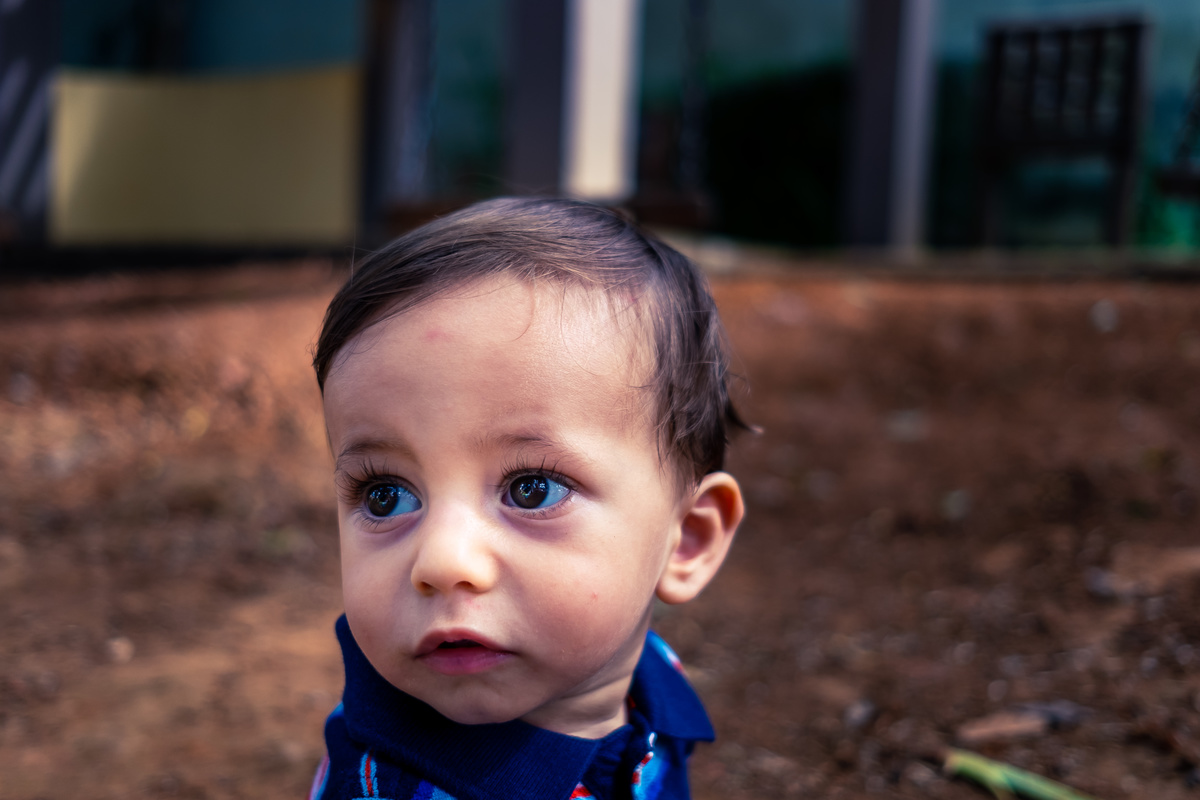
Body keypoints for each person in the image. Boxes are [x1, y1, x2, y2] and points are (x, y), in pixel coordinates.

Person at [308, 197, 746, 800]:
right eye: (385, 497)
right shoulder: (394, 788)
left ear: (686, 541)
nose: (443, 562)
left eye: (530, 489)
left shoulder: (652, 676)